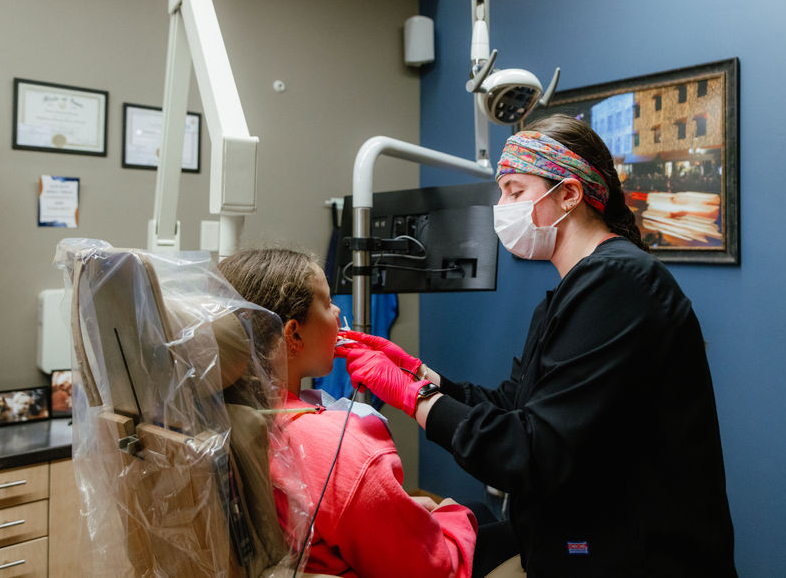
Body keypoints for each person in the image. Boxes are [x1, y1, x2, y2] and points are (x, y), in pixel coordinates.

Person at [341, 114, 737, 576]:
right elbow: (516, 409)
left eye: (515, 191)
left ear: (569, 194)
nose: (502, 207)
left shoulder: (619, 283)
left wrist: (417, 399)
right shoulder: (572, 292)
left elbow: (528, 452)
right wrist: (421, 375)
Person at [218, 248, 477, 578]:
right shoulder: (340, 447)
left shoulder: (220, 415)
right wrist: (453, 513)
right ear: (293, 334)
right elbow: (434, 569)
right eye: (327, 303)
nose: (339, 311)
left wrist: (416, 371)